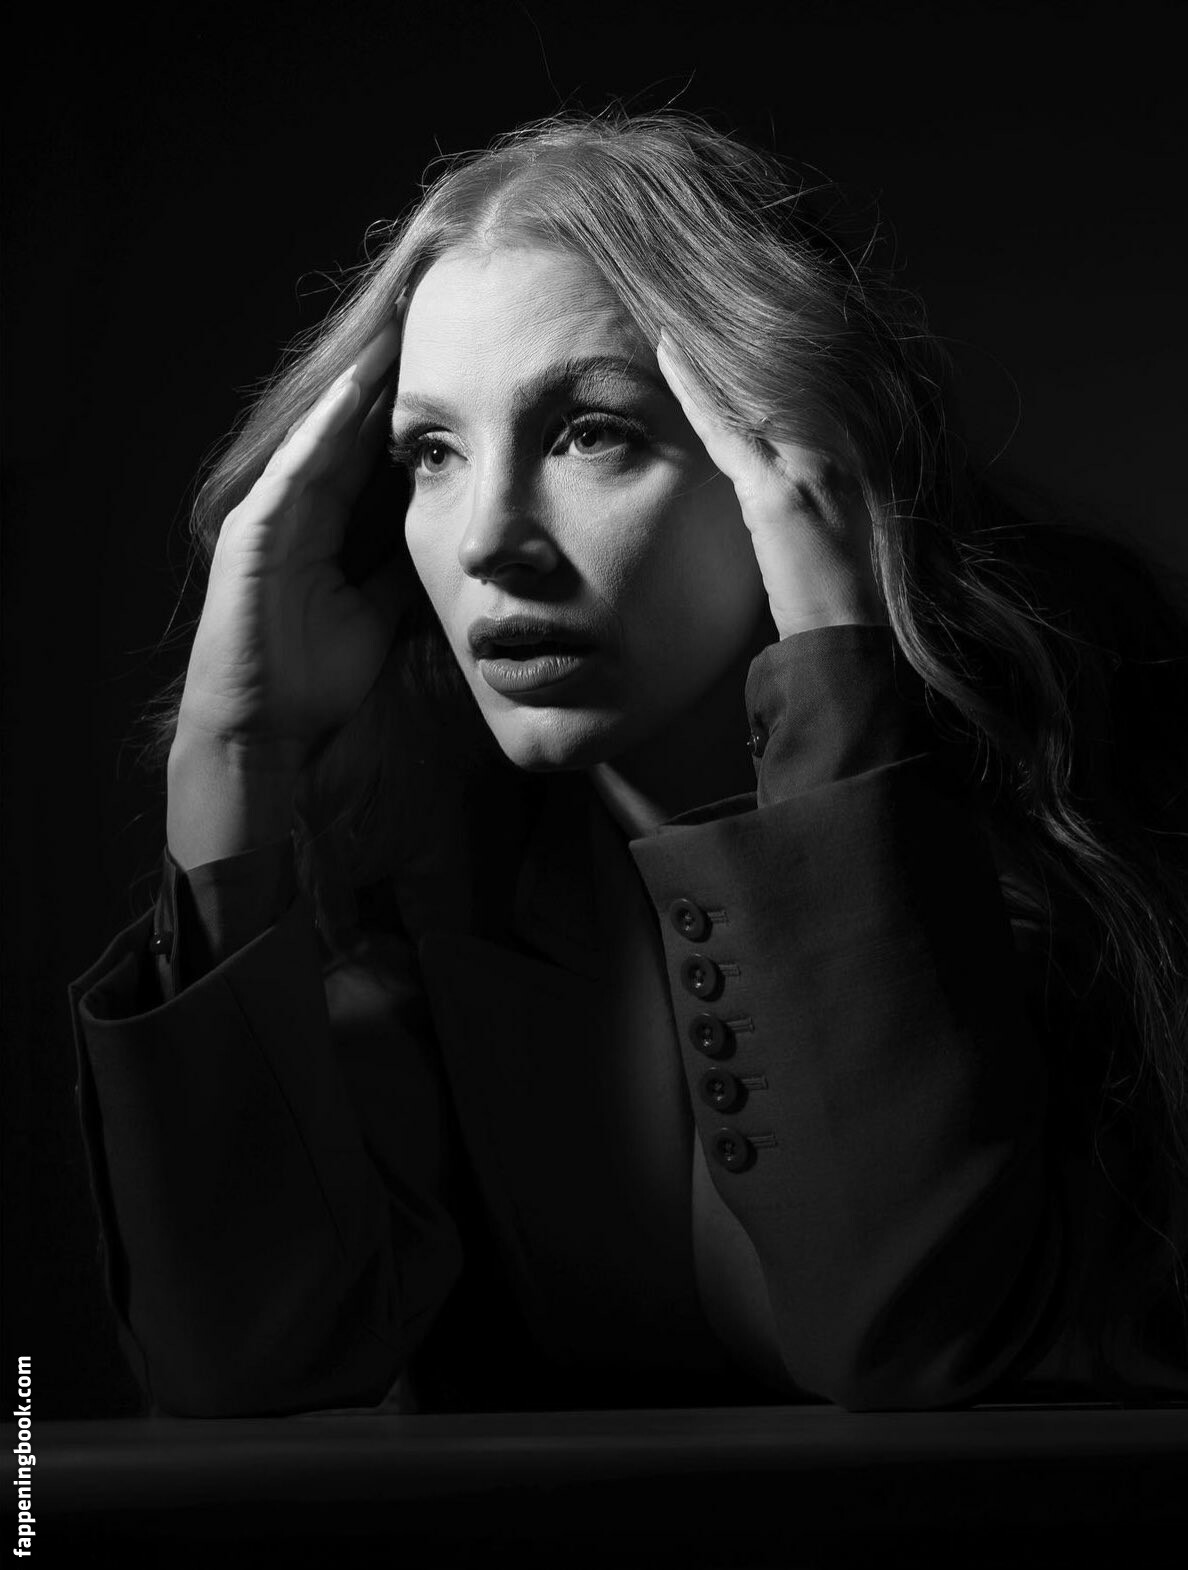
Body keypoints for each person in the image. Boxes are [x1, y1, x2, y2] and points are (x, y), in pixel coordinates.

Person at [69, 110, 1188, 1419]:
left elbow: (904, 1333)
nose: (487, 538)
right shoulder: (449, 892)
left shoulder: (1063, 859)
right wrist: (230, 750)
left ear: (788, 463)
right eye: (433, 452)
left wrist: (835, 649)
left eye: (589, 432)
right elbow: (240, 1362)